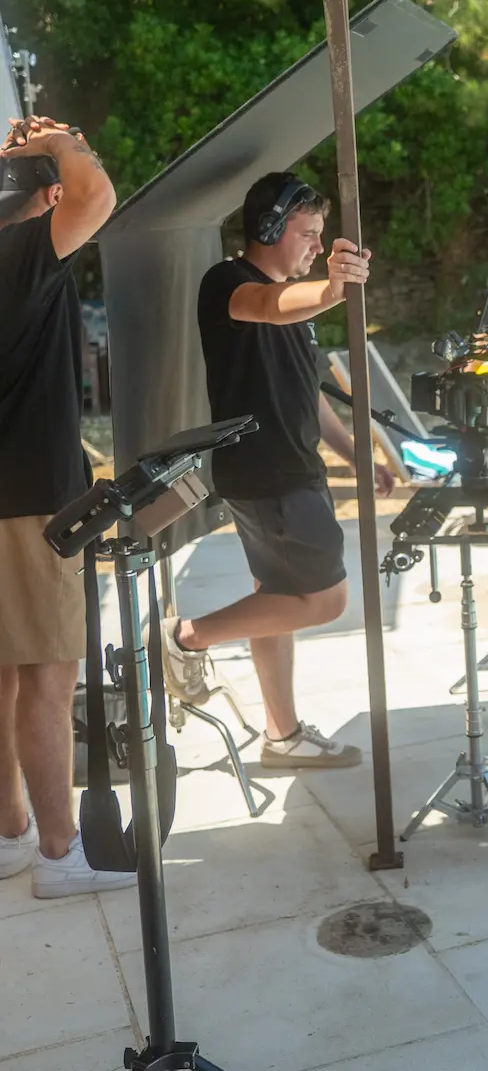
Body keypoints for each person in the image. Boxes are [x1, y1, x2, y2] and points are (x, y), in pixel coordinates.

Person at [160, 172, 394, 769]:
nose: (318, 247)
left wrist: (355, 456)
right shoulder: (229, 283)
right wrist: (334, 289)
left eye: (321, 238)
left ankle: (282, 736)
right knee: (326, 601)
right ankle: (184, 638)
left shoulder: (296, 306)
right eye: (309, 234)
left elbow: (306, 392)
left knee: (279, 598)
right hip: (271, 476)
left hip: (290, 471)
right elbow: (270, 306)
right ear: (269, 228)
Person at [0, 114, 138, 897]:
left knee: (2, 678)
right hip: (33, 503)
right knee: (50, 682)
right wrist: (63, 141)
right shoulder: (22, 253)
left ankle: (10, 833)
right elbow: (97, 194)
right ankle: (60, 854)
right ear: (46, 197)